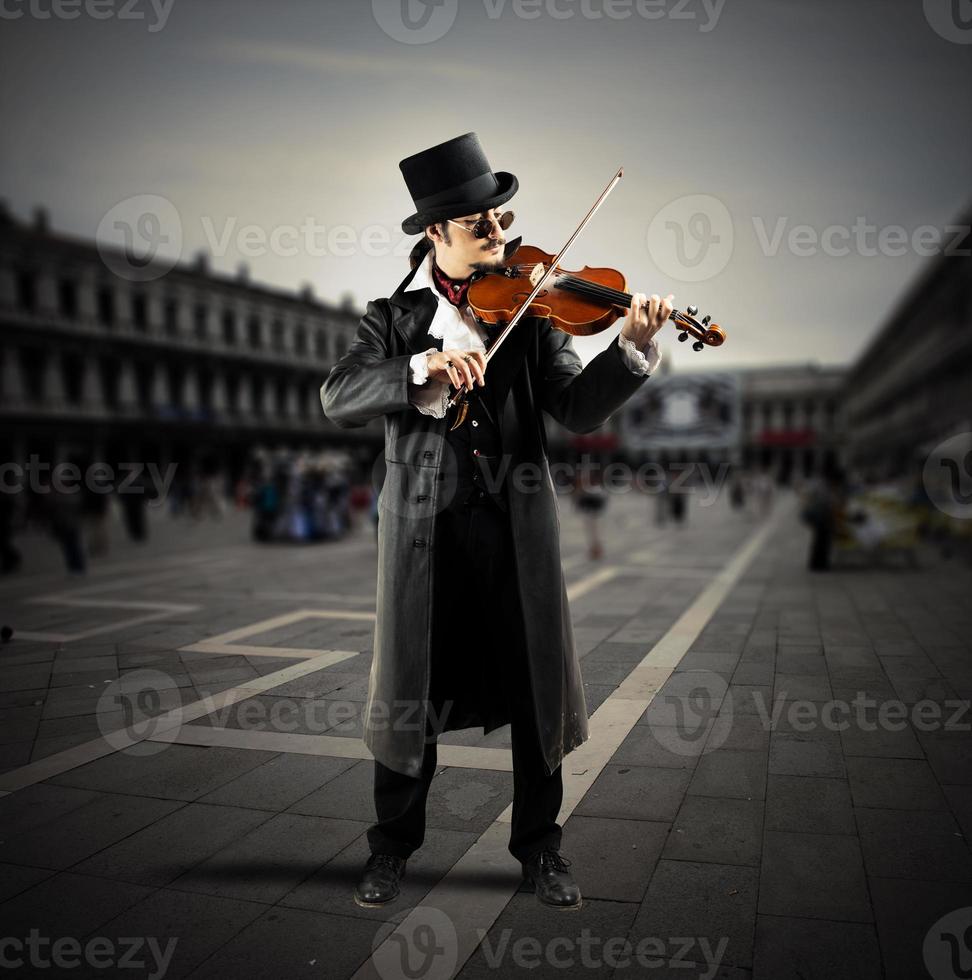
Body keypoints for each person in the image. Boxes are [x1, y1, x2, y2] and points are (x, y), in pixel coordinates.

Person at [320, 133, 669, 911]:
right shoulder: (393, 320)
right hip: (424, 534)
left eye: (502, 218)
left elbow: (576, 411)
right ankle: (391, 848)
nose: (501, 235)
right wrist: (421, 368)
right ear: (436, 234)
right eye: (480, 224)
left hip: (516, 530)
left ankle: (542, 850)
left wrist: (634, 348)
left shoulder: (536, 311)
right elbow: (337, 398)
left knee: (535, 685)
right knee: (412, 689)